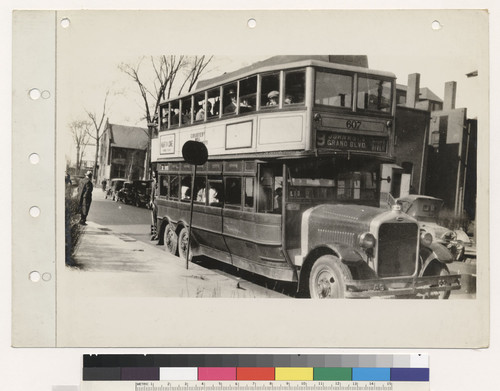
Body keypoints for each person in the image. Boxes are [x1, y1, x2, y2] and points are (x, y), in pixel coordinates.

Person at [150, 170, 158, 240]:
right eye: (153, 175)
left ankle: (156, 233)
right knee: (153, 219)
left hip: (157, 202)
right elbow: (152, 192)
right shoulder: (153, 183)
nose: (153, 176)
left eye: (154, 175)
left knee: (156, 218)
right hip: (154, 202)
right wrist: (151, 201)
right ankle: (153, 233)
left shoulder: (157, 183)